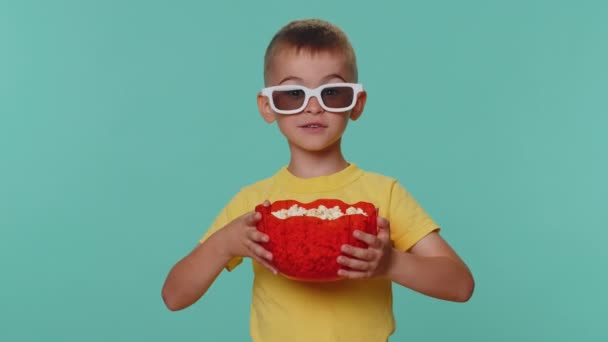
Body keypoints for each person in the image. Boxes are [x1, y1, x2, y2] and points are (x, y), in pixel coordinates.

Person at [162, 18, 474, 342]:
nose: (312, 107)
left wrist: (391, 263)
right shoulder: (253, 205)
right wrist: (224, 244)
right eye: (293, 94)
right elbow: (175, 295)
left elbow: (460, 284)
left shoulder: (385, 195)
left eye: (332, 93)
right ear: (268, 107)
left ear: (357, 104)